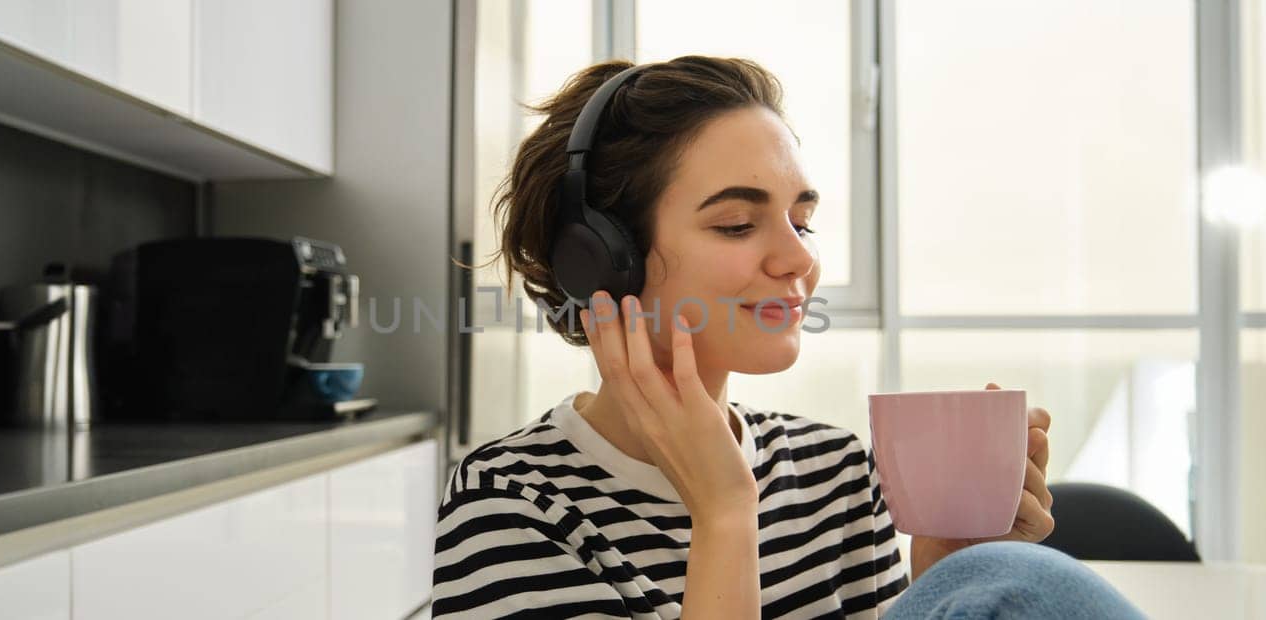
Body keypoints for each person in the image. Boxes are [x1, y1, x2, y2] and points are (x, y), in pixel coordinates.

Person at [432, 56, 1143, 619]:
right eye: (738, 225)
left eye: (801, 221)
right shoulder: (511, 501)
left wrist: (944, 578)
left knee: (1002, 578)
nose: (800, 259)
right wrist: (723, 514)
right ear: (601, 258)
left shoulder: (836, 472)